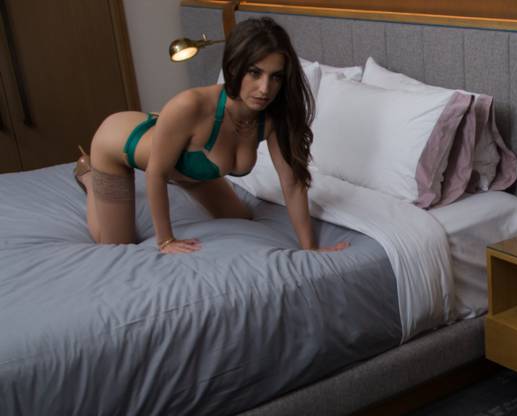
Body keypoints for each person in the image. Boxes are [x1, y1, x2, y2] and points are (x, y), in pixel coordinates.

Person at [73, 17, 347, 254]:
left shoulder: (272, 118)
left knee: (241, 218)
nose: (265, 88)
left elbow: (292, 183)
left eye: (275, 77)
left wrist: (310, 247)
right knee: (117, 243)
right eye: (255, 73)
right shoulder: (191, 105)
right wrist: (166, 240)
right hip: (119, 144)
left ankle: (180, 172)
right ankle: (89, 176)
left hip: (188, 164)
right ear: (235, 67)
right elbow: (156, 173)